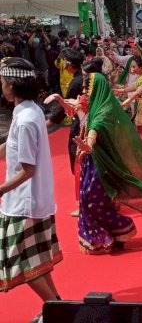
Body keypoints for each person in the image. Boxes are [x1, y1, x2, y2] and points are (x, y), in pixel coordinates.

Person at [63, 73, 142, 253]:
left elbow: (96, 127)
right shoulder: (94, 107)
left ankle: (121, 226)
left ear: (96, 89)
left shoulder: (104, 111)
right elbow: (84, 120)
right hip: (92, 162)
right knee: (92, 200)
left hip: (102, 165)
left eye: (87, 89)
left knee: (92, 200)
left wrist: (89, 144)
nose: (85, 93)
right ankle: (109, 236)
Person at [0, 58, 62, 322]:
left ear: (12, 86)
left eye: (3, 83)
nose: (1, 88)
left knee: (22, 263)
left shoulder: (25, 118)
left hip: (23, 203)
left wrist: (0, 190)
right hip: (32, 200)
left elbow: (28, 169)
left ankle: (58, 309)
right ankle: (57, 307)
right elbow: (11, 144)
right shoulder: (28, 110)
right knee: (36, 261)